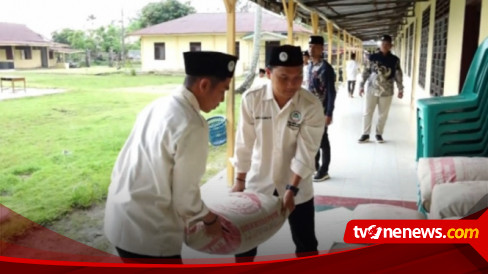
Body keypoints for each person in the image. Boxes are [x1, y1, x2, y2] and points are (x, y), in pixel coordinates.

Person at [104, 51, 238, 264]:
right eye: (222, 91)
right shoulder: (192, 124)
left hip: (120, 217)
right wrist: (210, 219)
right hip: (149, 232)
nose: (221, 101)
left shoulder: (158, 105)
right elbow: (186, 199)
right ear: (203, 85)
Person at [231, 45, 325, 262]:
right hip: (258, 181)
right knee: (245, 242)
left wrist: (291, 188)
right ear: (269, 73)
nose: (292, 84)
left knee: (306, 243)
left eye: (298, 77)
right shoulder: (252, 99)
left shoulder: (310, 104)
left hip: (297, 183)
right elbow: (244, 142)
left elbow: (306, 151)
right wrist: (239, 180)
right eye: (283, 77)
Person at [358, 35, 404, 143]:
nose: (385, 46)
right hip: (372, 89)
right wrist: (361, 85)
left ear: (391, 46)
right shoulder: (372, 57)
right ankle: (365, 134)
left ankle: (379, 134)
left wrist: (400, 89)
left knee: (383, 114)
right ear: (380, 45)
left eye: (387, 44)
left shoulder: (394, 60)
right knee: (367, 112)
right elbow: (366, 72)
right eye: (383, 43)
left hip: (387, 91)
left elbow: (398, 74)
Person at [307, 35, 337, 182]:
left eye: (314, 47)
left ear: (321, 49)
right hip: (311, 111)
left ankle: (324, 170)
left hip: (322, 110)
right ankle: (315, 165)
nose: (311, 49)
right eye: (310, 46)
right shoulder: (311, 65)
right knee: (314, 139)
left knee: (323, 140)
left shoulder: (326, 69)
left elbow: (331, 92)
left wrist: (329, 113)